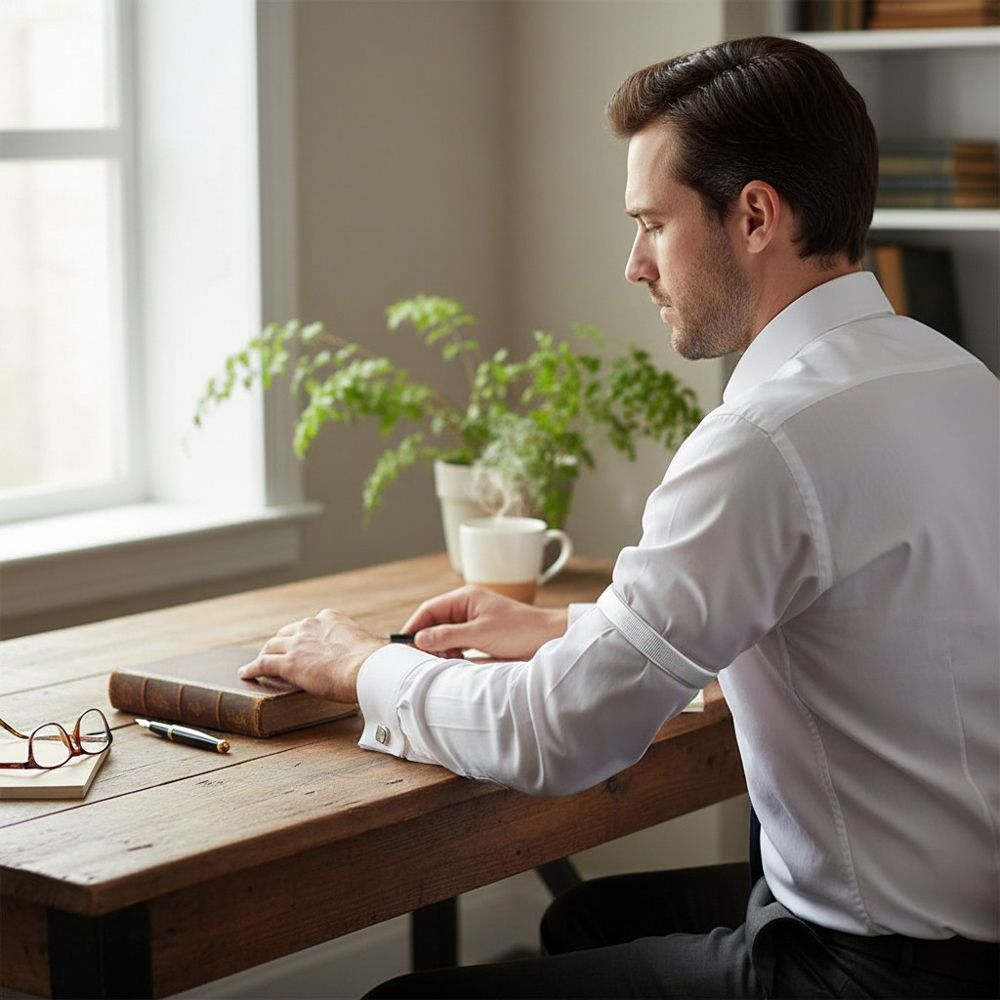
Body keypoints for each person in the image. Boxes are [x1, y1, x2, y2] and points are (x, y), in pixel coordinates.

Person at [240, 35, 1000, 999]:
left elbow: (563, 734)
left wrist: (359, 666)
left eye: (652, 223)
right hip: (965, 927)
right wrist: (567, 625)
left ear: (755, 215)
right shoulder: (954, 375)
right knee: (582, 919)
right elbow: (845, 610)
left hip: (874, 970)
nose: (633, 264)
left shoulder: (767, 438)